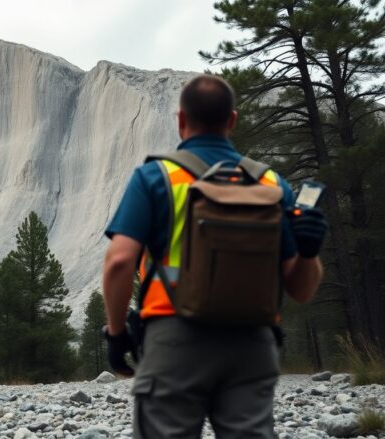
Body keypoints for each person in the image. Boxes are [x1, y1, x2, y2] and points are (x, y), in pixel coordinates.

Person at [102, 74, 327, 438]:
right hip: (251, 344)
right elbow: (301, 289)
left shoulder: (156, 177)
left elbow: (118, 262)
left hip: (173, 340)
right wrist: (309, 251)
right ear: (233, 120)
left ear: (180, 120)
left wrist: (116, 334)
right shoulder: (272, 185)